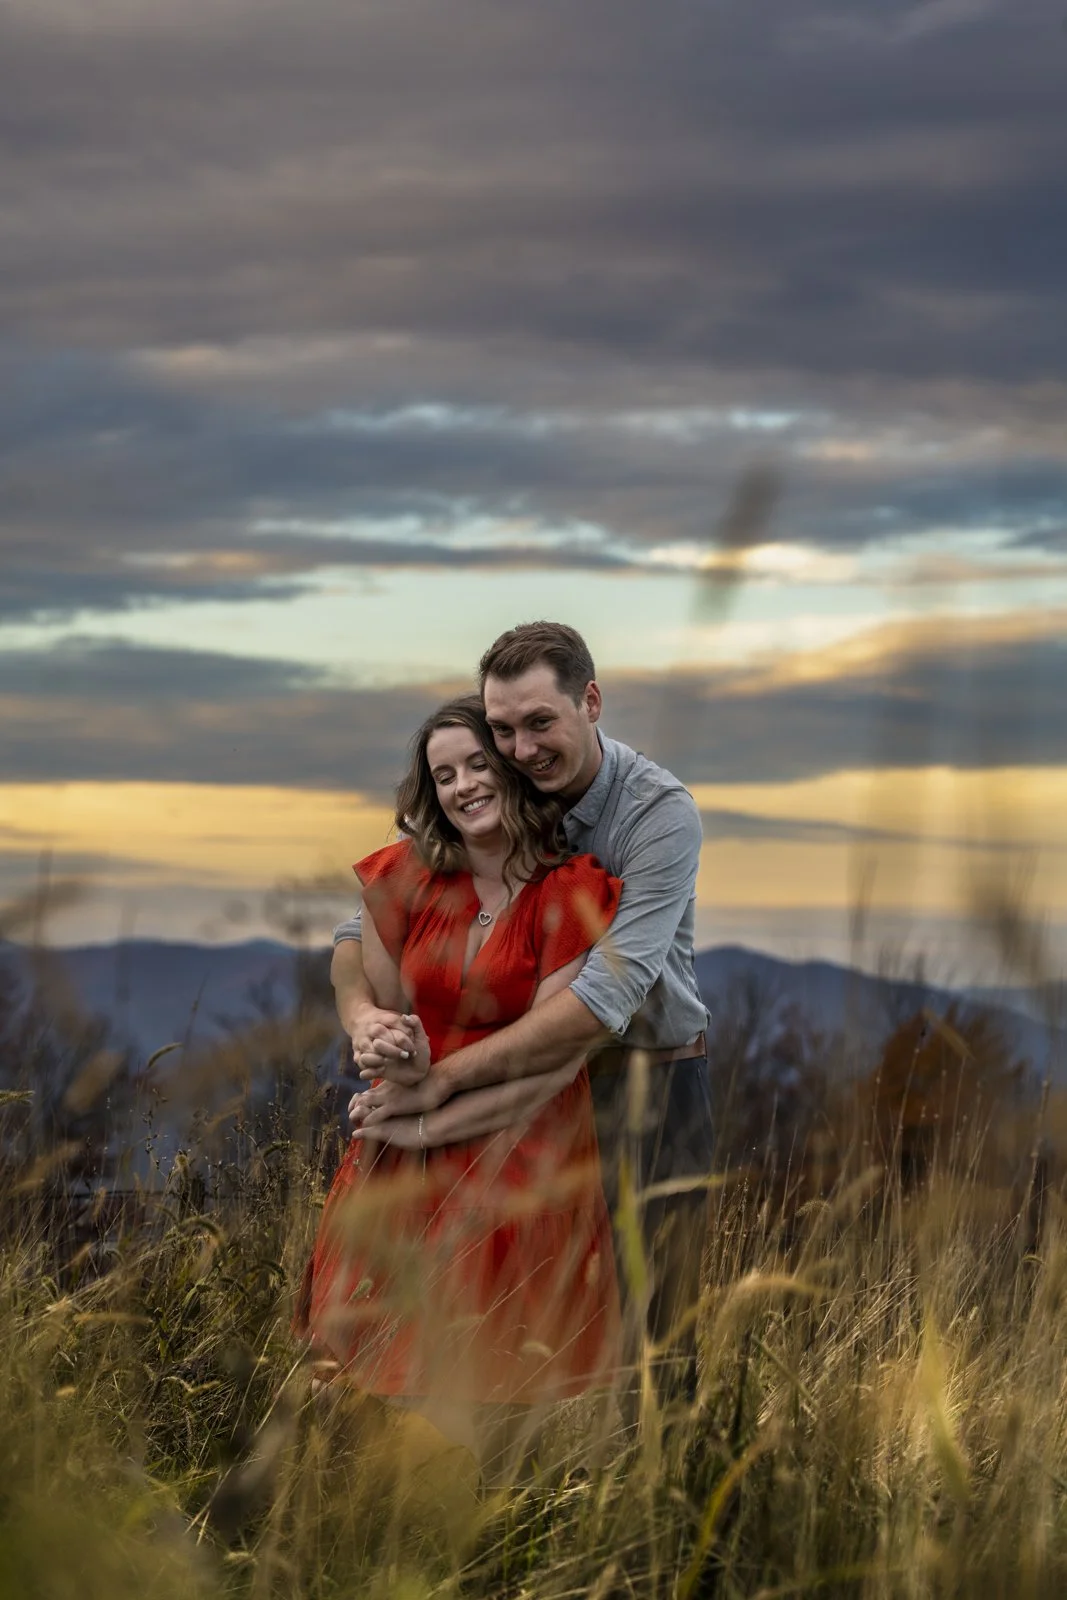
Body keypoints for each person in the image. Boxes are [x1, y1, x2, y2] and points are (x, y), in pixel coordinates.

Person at [339, 622, 713, 1413]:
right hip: (517, 1095)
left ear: (590, 701)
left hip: (645, 1085)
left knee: (655, 1338)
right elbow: (360, 927)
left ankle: (668, 1522)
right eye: (501, 728)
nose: (520, 749)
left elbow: (599, 1006)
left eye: (539, 723)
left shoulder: (656, 815)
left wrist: (435, 1088)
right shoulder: (490, 792)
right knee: (521, 1323)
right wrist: (362, 1017)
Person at [297, 693, 623, 1473]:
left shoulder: (570, 891)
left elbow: (545, 1053)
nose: (464, 785)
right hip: (402, 1153)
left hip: (517, 1151)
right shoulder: (411, 878)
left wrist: (426, 1100)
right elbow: (367, 983)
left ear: (512, 766)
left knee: (487, 1380)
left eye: (479, 763)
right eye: (444, 775)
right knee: (368, 1378)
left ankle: (480, 1554)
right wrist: (380, 1037)